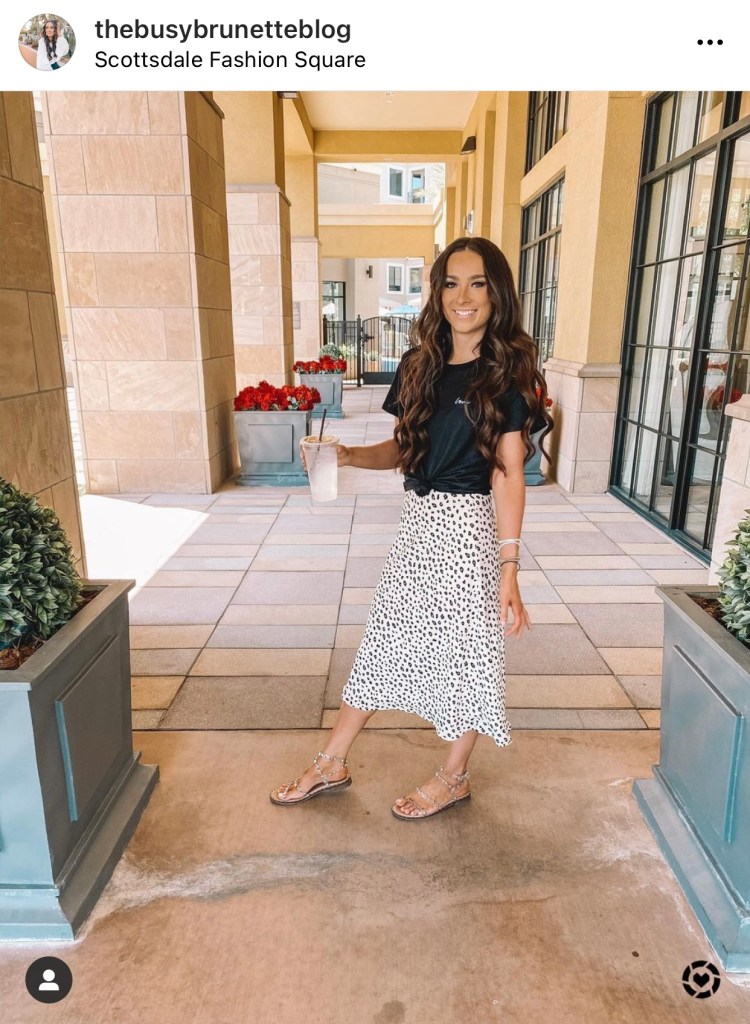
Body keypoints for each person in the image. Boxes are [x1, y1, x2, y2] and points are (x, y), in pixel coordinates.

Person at [270, 236, 553, 820]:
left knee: (468, 652)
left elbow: (507, 473)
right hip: (420, 525)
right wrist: (348, 456)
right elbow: (404, 448)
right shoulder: (418, 365)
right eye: (451, 283)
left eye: (477, 283)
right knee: (385, 638)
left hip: (470, 530)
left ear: (496, 293)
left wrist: (509, 567)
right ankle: (332, 761)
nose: (462, 296)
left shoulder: (507, 374)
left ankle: (454, 776)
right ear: (438, 292)